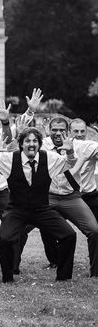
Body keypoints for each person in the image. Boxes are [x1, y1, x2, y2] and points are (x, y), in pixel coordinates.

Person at [0, 127, 77, 282]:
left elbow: (69, 164)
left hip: (42, 209)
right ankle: (7, 277)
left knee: (69, 235)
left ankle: (64, 277)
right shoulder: (9, 159)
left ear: (39, 144)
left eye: (35, 141)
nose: (31, 144)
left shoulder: (50, 158)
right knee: (5, 240)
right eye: (27, 141)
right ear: (21, 144)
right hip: (16, 210)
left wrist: (71, 151)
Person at [39, 117, 98, 277]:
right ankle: (52, 261)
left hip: (75, 196)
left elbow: (72, 168)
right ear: (49, 130)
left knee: (94, 230)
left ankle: (96, 271)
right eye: (55, 129)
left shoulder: (86, 146)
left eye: (62, 130)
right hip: (49, 196)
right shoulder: (42, 145)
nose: (58, 133)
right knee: (32, 227)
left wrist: (71, 151)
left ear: (67, 132)